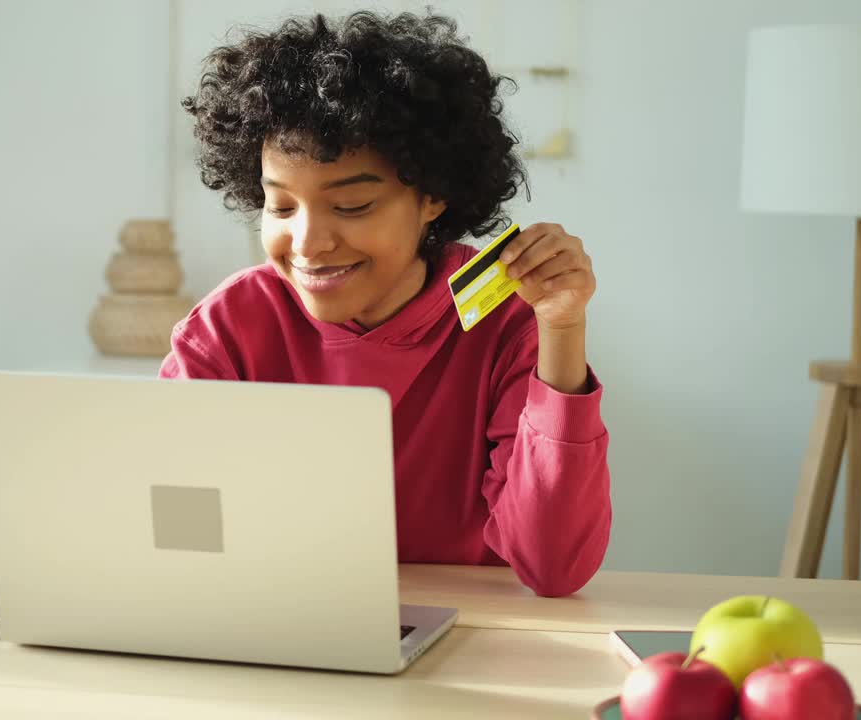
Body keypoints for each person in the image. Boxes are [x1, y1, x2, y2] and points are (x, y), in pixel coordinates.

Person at [161, 10, 610, 598]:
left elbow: (554, 568)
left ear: (432, 197)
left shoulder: (506, 323)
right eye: (281, 207)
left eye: (351, 208)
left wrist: (563, 329)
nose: (309, 244)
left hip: (468, 645)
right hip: (271, 625)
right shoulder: (228, 328)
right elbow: (173, 542)